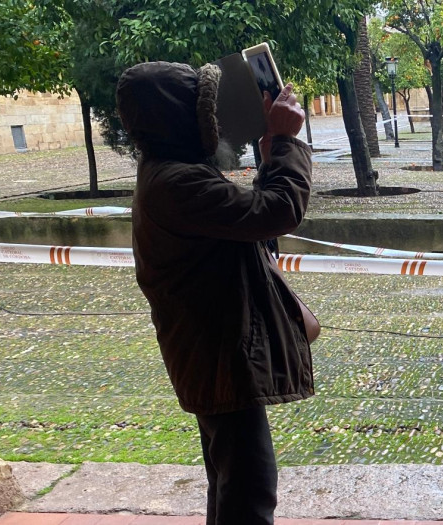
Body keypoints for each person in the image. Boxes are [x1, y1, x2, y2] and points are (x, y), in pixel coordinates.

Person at [116, 61, 320, 525]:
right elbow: (277, 213)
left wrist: (271, 159)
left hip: (212, 350)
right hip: (218, 353)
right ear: (180, 119)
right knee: (248, 491)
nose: (213, 120)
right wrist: (286, 142)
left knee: (233, 483)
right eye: (202, 109)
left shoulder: (170, 173)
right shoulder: (177, 183)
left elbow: (246, 224)